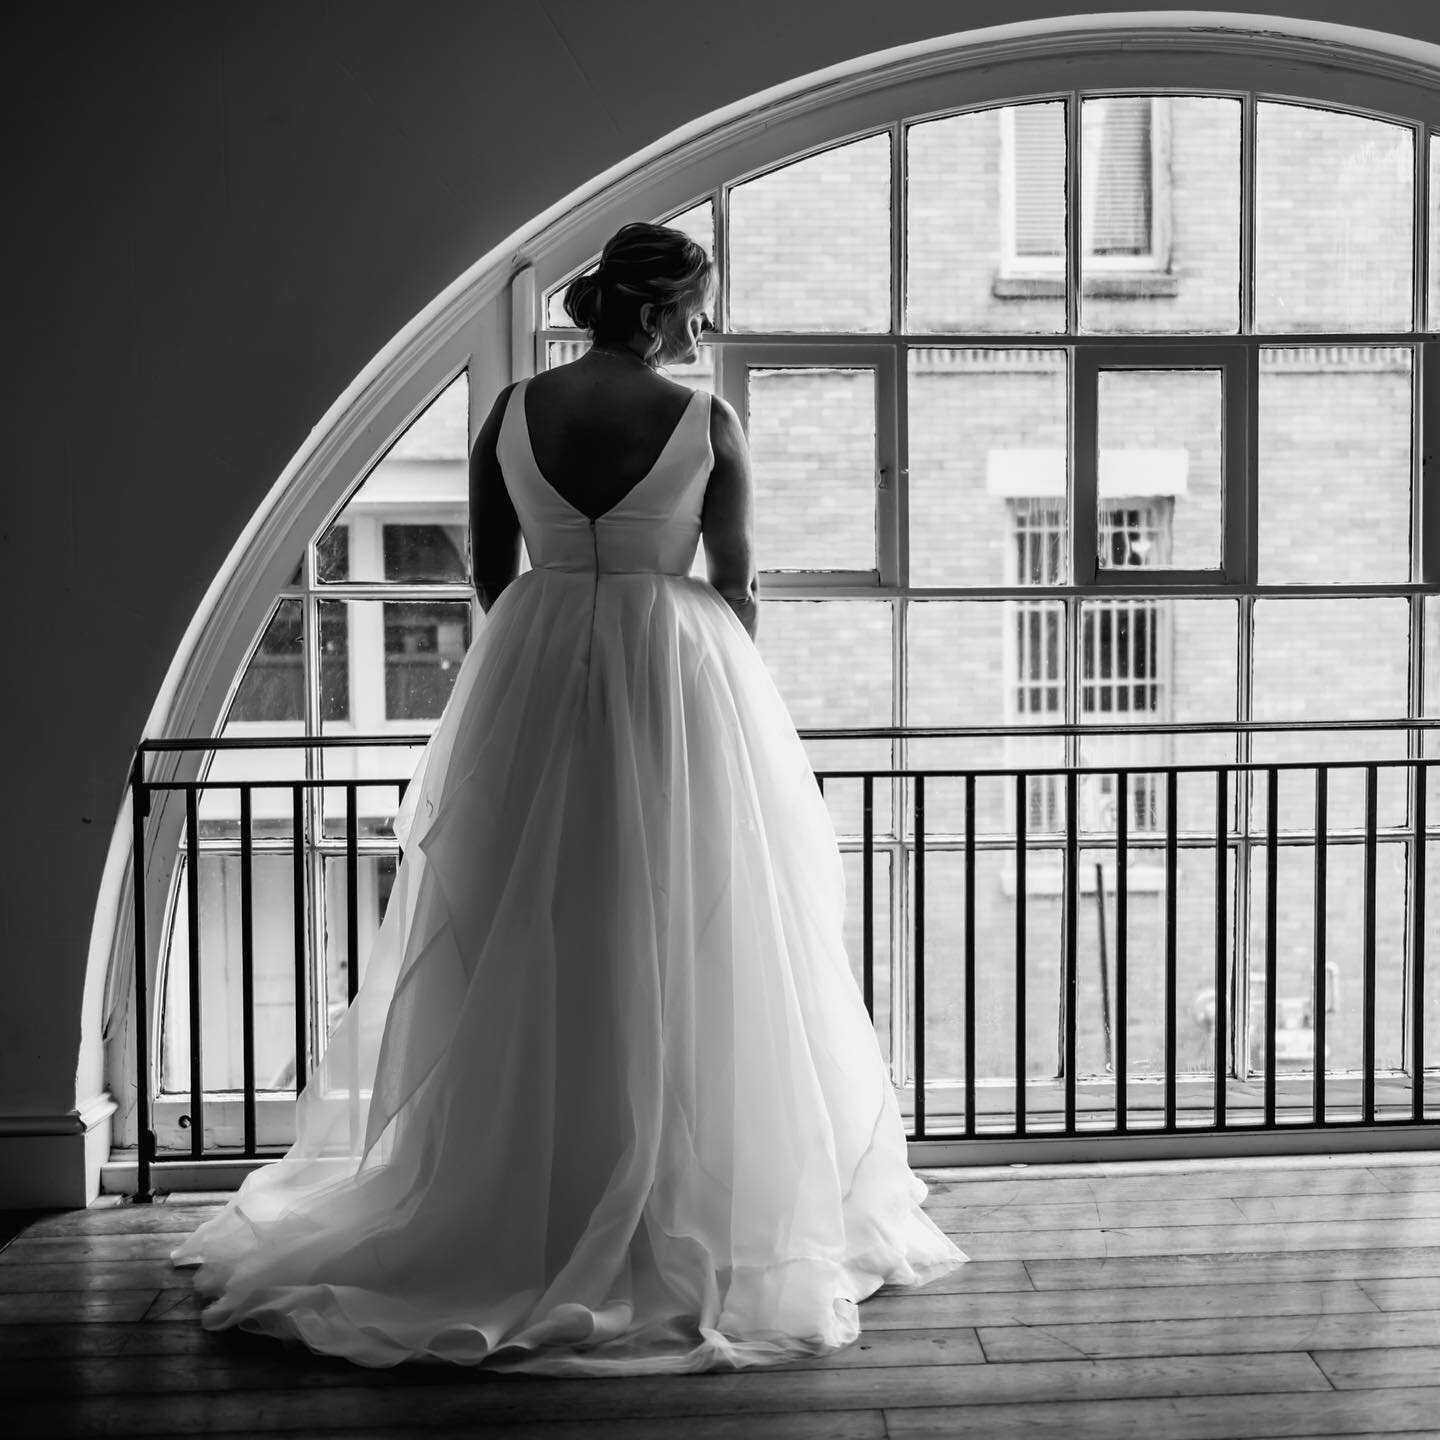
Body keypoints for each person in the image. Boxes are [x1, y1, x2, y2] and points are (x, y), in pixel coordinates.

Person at [171, 221, 966, 1375]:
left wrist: (558, 629)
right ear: (655, 316)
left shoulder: (507, 417)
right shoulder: (703, 420)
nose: (702, 328)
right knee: (686, 926)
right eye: (696, 309)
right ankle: (667, 1195)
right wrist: (714, 682)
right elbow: (732, 582)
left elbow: (491, 575)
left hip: (534, 671)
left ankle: (526, 1193)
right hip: (669, 675)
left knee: (529, 924)